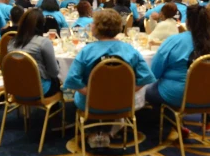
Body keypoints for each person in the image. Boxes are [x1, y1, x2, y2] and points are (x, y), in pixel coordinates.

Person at [64, 9, 155, 148]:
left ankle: (93, 130)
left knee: (76, 96)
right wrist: (126, 93)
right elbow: (145, 77)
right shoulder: (130, 50)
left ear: (98, 27)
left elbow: (72, 80)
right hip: (122, 103)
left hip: (91, 104)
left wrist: (92, 94)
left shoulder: (86, 51)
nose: (91, 26)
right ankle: (109, 131)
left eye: (93, 23)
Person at [146, 5, 210, 110]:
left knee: (148, 91)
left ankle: (169, 119)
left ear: (187, 22)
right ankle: (207, 120)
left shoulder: (174, 41)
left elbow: (155, 73)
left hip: (179, 95)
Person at [7, 9, 60, 96]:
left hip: (15, 89)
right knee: (56, 80)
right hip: (38, 90)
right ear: (42, 25)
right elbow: (54, 72)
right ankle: (54, 109)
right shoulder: (44, 42)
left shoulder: (11, 42)